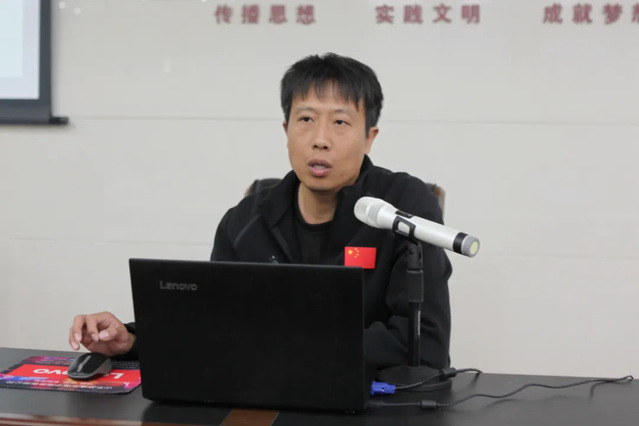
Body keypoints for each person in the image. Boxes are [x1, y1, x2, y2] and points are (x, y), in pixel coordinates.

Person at [69, 53, 452, 369]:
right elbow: (212, 326)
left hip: (374, 402)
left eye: (340, 122)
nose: (320, 140)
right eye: (306, 119)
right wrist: (131, 339)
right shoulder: (247, 219)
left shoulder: (405, 209)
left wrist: (288, 348)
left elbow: (425, 345)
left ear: (369, 138)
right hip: (265, 398)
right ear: (286, 130)